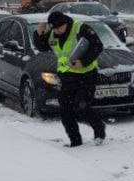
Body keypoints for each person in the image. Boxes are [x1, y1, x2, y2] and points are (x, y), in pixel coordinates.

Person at [35, 9, 106, 147]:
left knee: (81, 106)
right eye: (54, 28)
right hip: (67, 76)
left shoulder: (80, 28)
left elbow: (98, 46)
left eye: (59, 28)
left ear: (65, 23)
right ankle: (75, 141)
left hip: (87, 75)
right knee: (65, 110)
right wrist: (39, 32)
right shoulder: (53, 34)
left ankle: (99, 128)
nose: (57, 31)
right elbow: (42, 46)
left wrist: (83, 61)